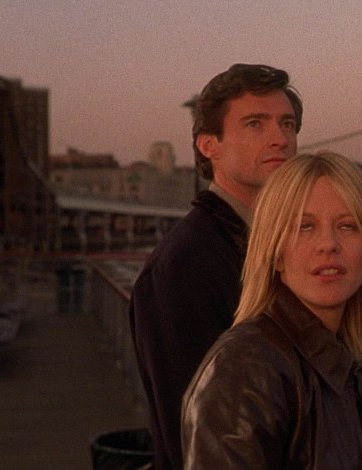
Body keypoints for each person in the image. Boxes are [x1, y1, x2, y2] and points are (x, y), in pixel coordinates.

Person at [128, 64, 303, 470]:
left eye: (288, 124)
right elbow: (195, 435)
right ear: (209, 146)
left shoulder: (282, 247)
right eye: (255, 124)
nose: (280, 138)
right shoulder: (183, 267)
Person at [182, 151, 362, 469]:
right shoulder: (246, 369)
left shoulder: (327, 363)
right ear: (275, 252)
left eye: (348, 225)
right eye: (304, 226)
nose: (329, 244)